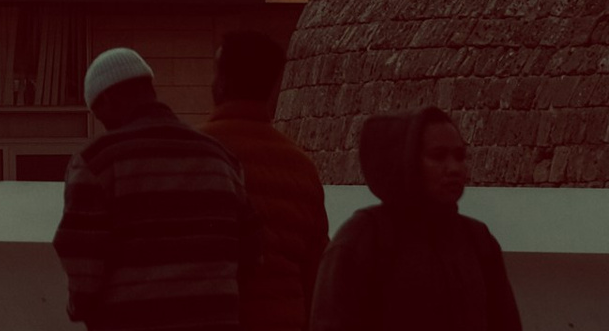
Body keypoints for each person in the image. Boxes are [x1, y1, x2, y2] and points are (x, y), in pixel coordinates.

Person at [53, 46, 254, 331]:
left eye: (100, 116)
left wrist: (84, 309)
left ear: (109, 100)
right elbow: (250, 245)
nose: (105, 126)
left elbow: (80, 252)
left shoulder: (97, 161)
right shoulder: (220, 157)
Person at [309, 109, 518, 331]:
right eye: (438, 156)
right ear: (406, 160)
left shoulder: (477, 241)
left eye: (460, 156)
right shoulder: (363, 239)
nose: (454, 168)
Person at [199, 32, 328, 331]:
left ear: (221, 81)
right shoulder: (301, 166)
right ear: (272, 87)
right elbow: (315, 272)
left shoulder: (193, 151)